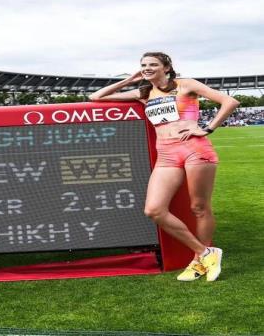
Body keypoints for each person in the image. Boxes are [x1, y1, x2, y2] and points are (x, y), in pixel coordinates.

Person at [89, 52, 239, 281]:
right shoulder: (143, 93)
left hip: (194, 149)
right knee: (154, 210)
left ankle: (198, 262)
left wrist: (207, 128)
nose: (147, 68)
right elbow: (96, 96)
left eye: (153, 64)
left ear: (166, 68)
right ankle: (205, 253)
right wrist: (129, 80)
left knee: (199, 207)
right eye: (143, 65)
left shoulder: (185, 85)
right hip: (166, 154)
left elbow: (230, 101)